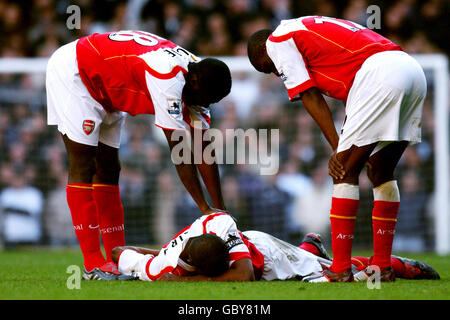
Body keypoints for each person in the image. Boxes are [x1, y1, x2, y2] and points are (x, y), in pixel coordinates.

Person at [247, 16, 427, 282]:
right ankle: (382, 267)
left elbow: (309, 94)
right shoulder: (304, 28)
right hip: (411, 71)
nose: (275, 73)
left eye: (267, 68)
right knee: (380, 171)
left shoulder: (277, 40)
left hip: (380, 74)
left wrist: (337, 148)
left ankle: (340, 268)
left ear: (264, 50)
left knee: (343, 170)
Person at [46, 30, 232, 280]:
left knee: (110, 169)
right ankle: (93, 263)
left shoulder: (200, 78)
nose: (206, 105)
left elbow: (203, 149)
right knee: (84, 163)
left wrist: (219, 211)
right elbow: (179, 151)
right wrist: (202, 206)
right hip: (77, 72)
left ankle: (118, 258)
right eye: (207, 99)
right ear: (196, 84)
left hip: (109, 86)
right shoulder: (168, 77)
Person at [111, 212, 440, 282]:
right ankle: (309, 248)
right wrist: (153, 254)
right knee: (311, 267)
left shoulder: (217, 223)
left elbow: (244, 275)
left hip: (265, 256)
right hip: (258, 251)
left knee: (334, 276)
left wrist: (151, 259)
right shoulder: (157, 268)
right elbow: (121, 252)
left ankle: (389, 265)